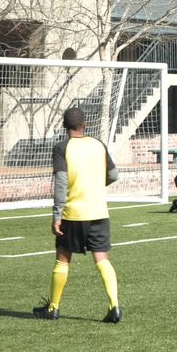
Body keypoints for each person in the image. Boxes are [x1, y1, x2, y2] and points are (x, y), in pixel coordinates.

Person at [33, 107, 122, 323]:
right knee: (102, 259)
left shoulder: (62, 148)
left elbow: (61, 184)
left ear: (65, 127)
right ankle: (114, 306)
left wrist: (56, 215)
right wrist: (95, 186)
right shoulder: (98, 145)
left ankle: (53, 307)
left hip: (73, 214)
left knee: (63, 258)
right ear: (84, 125)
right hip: (99, 212)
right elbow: (113, 174)